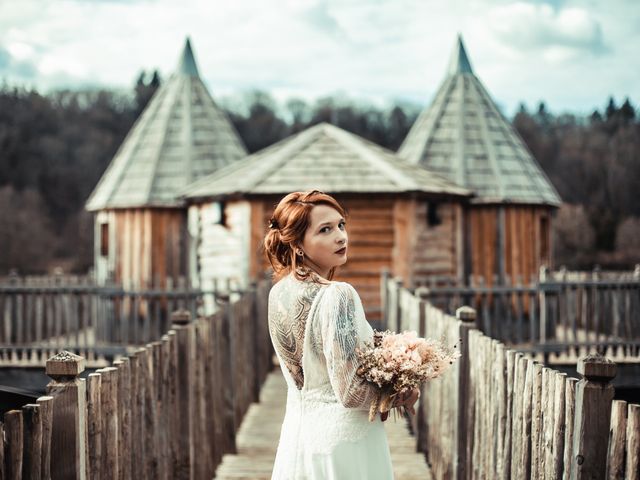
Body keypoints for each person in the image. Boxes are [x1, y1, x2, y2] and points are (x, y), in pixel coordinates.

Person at [264, 190, 419, 479]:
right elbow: (350, 392)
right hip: (346, 445)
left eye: (341, 225)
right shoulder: (338, 294)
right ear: (297, 245)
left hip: (297, 442)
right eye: (325, 229)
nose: (340, 236)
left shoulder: (277, 294)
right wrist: (400, 392)